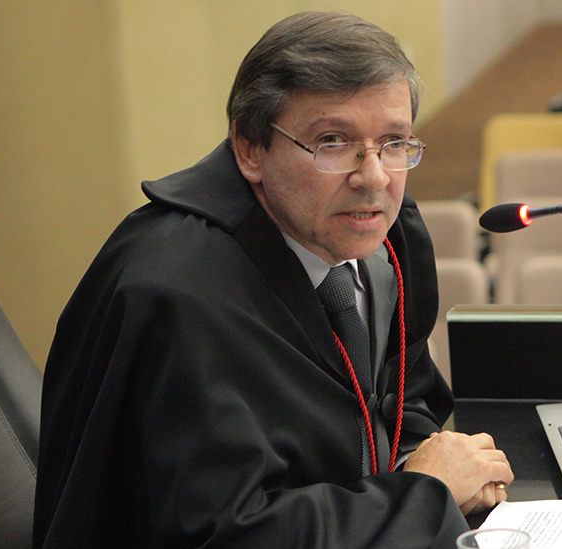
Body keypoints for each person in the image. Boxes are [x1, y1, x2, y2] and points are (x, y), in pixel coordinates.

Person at [32, 11, 514, 549]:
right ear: (250, 149)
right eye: (333, 141)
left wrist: (445, 472)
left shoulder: (383, 238)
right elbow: (227, 534)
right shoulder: (178, 294)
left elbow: (405, 404)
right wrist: (422, 496)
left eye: (394, 142)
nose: (374, 176)